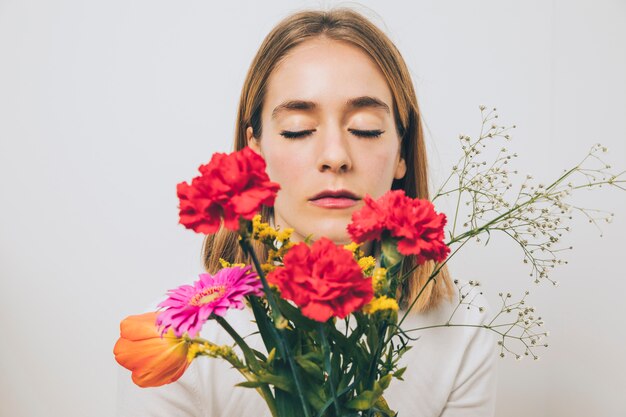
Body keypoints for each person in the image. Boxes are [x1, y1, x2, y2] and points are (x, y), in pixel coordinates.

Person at [117, 7, 498, 416]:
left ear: (402, 152)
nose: (335, 156)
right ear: (255, 150)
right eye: (298, 129)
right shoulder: (175, 342)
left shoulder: (461, 328)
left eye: (366, 128)